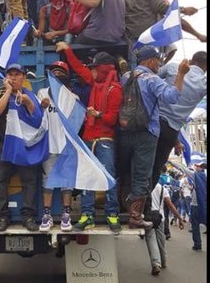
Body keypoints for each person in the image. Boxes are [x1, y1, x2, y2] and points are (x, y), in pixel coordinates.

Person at [117, 45, 190, 229]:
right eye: (158, 61)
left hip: (125, 132)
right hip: (146, 134)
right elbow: (172, 97)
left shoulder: (126, 77)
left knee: (125, 172)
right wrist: (181, 73)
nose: (159, 64)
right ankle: (135, 216)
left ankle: (122, 204)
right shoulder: (152, 79)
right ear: (150, 61)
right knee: (142, 176)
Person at [56, 42, 123, 232]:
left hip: (104, 139)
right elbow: (78, 68)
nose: (91, 72)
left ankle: (112, 215)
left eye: (94, 68)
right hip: (88, 137)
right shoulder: (96, 84)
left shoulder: (115, 89)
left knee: (108, 176)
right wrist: (67, 50)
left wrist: (97, 115)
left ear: (103, 69)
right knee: (86, 177)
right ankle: (87, 216)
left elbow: (112, 119)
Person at [0, 63, 48, 232]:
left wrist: (29, 103)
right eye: (10, 74)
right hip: (3, 145)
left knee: (29, 181)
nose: (13, 78)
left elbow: (38, 121)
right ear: (6, 77)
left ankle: (28, 216)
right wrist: (8, 92)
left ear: (23, 77)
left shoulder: (30, 95)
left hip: (23, 146)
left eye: (17, 74)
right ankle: (2, 216)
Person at [151, 51, 207, 189]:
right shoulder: (204, 85)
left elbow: (150, 78)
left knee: (142, 163)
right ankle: (142, 205)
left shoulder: (173, 67)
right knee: (156, 168)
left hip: (154, 121)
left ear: (191, 60)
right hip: (171, 132)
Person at [37, 61, 75, 232]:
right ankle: (47, 215)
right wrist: (41, 106)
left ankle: (66, 215)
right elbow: (35, 116)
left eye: (60, 72)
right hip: (49, 145)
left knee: (67, 182)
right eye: (54, 72)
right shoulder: (42, 93)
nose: (57, 75)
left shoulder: (71, 96)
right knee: (48, 181)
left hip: (66, 146)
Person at [144, 178, 184, 276]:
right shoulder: (161, 188)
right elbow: (170, 205)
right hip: (159, 217)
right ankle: (163, 261)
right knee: (161, 240)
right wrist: (179, 218)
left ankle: (155, 264)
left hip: (148, 217)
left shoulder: (144, 188)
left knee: (150, 239)